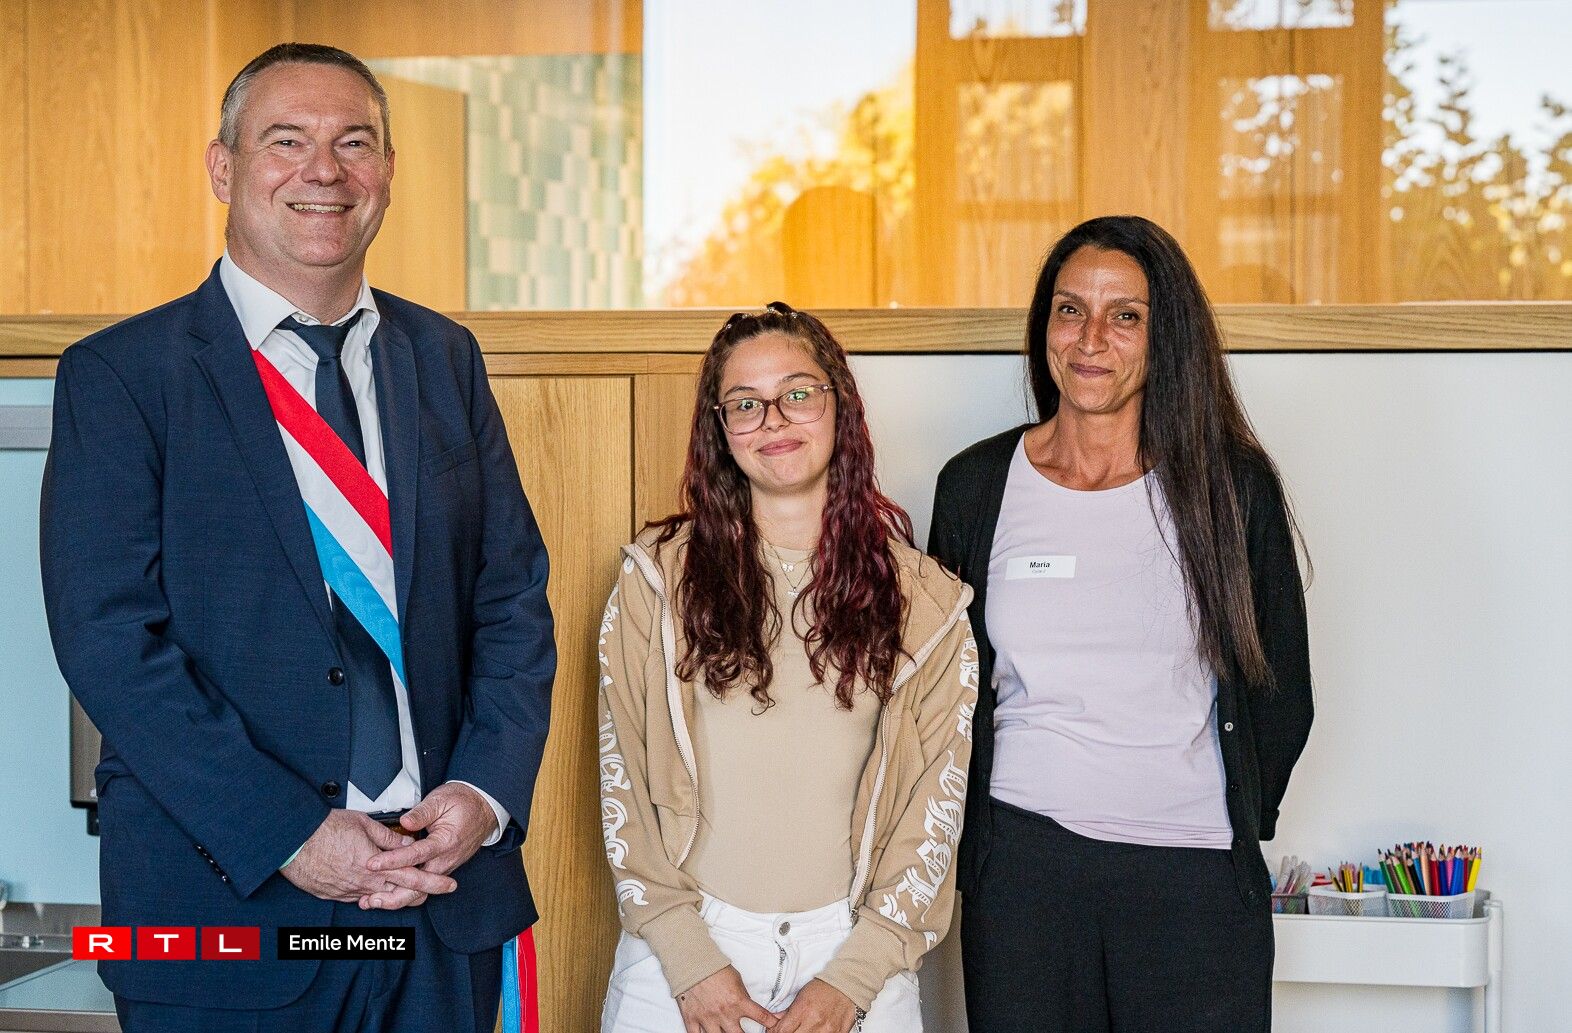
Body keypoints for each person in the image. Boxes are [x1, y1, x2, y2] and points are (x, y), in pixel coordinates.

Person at [40, 43, 554, 1033]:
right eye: (286, 141)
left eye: (354, 143)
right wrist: (290, 833)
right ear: (223, 168)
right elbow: (109, 641)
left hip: (438, 905)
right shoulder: (122, 375)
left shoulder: (444, 358)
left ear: (387, 173)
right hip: (226, 921)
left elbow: (510, 602)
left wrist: (485, 792)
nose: (324, 170)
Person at [929, 216, 1313, 1032]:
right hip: (1023, 874)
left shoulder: (1231, 487)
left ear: (1164, 336)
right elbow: (944, 689)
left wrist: (1239, 811)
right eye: (1070, 310)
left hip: (1193, 879)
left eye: (1124, 315)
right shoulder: (975, 484)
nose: (1091, 338)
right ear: (1045, 326)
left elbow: (1283, 693)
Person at [596, 303, 978, 1033]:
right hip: (682, 953)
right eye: (745, 403)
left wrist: (853, 978)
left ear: (841, 405)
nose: (773, 419)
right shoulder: (656, 581)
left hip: (854, 955)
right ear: (719, 429)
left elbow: (933, 816)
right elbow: (625, 784)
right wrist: (690, 961)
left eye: (798, 393)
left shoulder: (929, 606)